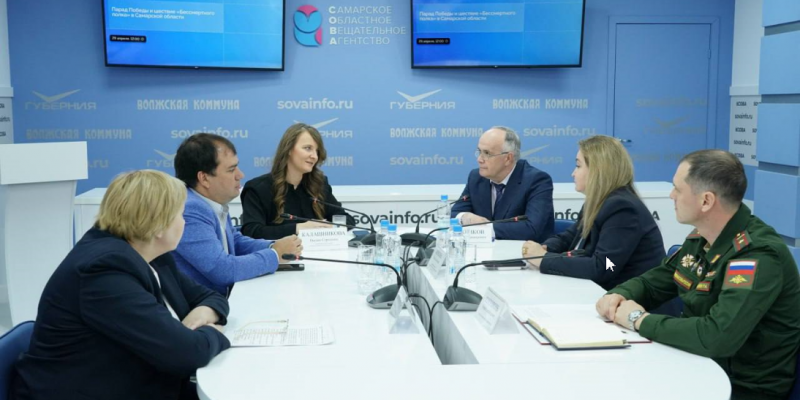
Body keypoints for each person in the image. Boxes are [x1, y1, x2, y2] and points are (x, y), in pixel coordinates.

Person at [596, 150, 800, 400]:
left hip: (740, 387)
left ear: (706, 201)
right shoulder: (701, 237)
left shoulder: (757, 255)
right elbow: (655, 282)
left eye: (677, 189)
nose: (671, 195)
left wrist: (638, 319)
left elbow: (716, 337)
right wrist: (619, 295)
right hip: (697, 365)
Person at [12, 170, 230, 400]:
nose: (184, 222)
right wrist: (212, 332)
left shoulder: (151, 253)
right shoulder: (104, 271)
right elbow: (186, 353)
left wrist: (203, 313)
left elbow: (211, 297)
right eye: (180, 214)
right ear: (158, 224)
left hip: (144, 383)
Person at [520, 135, 665, 291]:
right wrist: (546, 248)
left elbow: (605, 266)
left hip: (634, 299)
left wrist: (543, 259)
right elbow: (570, 237)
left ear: (597, 170)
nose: (573, 173)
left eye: (578, 166)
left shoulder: (622, 209)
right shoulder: (597, 202)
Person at [172, 133, 302, 295]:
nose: (240, 175)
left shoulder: (211, 202)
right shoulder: (190, 210)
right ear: (204, 178)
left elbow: (234, 242)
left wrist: (273, 246)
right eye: (231, 169)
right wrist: (275, 255)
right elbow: (222, 269)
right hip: (203, 306)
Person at [241, 123, 354, 240]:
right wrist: (298, 228)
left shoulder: (319, 185)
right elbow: (252, 231)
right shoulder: (258, 188)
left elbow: (347, 220)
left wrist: (328, 228)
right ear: (289, 149)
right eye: (308, 148)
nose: (314, 156)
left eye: (317, 151)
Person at [450, 126, 554, 241]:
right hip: (485, 250)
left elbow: (532, 228)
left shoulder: (536, 181)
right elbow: (455, 213)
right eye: (479, 152)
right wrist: (465, 217)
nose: (479, 159)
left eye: (487, 153)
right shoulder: (476, 178)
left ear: (508, 158)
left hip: (522, 251)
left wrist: (485, 228)